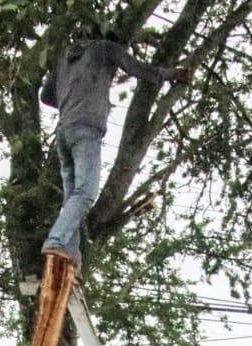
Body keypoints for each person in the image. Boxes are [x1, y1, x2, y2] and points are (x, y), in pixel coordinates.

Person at [39, 33, 190, 266]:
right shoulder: (104, 48)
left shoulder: (63, 59)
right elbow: (137, 68)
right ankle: (56, 242)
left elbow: (46, 96)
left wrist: (71, 98)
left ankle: (71, 257)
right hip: (86, 129)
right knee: (85, 194)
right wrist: (171, 74)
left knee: (72, 198)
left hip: (64, 131)